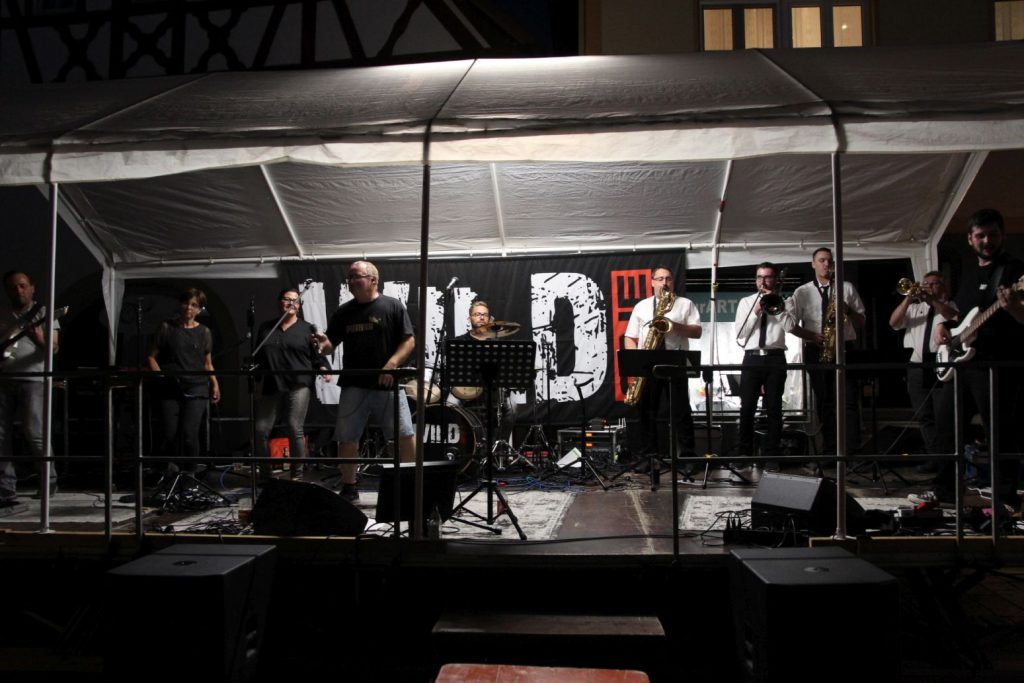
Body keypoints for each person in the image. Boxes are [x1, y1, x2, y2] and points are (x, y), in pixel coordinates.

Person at [926, 209, 1024, 505]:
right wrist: (943, 326)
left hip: (996, 365)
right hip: (964, 363)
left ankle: (1005, 496)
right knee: (946, 427)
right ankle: (944, 490)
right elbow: (961, 315)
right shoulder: (970, 273)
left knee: (999, 431)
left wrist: (1013, 307)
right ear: (970, 239)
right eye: (980, 236)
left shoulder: (1014, 272)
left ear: (1002, 236)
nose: (987, 241)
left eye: (992, 235)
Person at [316, 261, 415, 502]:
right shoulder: (344, 311)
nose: (350, 281)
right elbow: (330, 346)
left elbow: (409, 340)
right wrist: (323, 344)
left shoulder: (392, 306)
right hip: (353, 383)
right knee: (347, 437)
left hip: (387, 383)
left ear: (373, 280)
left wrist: (391, 365)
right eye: (348, 277)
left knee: (403, 434)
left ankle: (410, 485)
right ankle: (349, 487)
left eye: (355, 276)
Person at [787, 247, 866, 460]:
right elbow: (790, 325)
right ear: (813, 264)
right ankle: (830, 450)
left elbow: (861, 322)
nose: (826, 264)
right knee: (825, 402)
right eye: (822, 260)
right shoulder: (802, 292)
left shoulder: (846, 288)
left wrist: (848, 310)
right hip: (816, 348)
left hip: (844, 348)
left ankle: (852, 451)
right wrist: (812, 336)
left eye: (830, 261)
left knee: (849, 401)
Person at [623, 265, 702, 470]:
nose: (664, 283)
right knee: (647, 411)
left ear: (673, 282)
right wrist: (636, 361)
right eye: (659, 279)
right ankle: (649, 457)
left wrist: (673, 325)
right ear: (652, 282)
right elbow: (629, 337)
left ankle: (687, 457)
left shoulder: (685, 304)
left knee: (681, 411)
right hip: (647, 362)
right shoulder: (641, 306)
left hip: (675, 361)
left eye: (668, 278)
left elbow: (697, 331)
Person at [253, 288, 329, 480]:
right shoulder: (266, 328)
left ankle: (297, 476)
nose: (291, 303)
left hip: (298, 383)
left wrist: (323, 368)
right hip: (272, 384)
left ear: (300, 306)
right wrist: (256, 380)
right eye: (287, 299)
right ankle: (266, 476)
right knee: (260, 430)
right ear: (279, 302)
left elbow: (317, 355)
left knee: (294, 427)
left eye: (295, 300)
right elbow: (258, 357)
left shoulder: (307, 329)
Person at [0, 271, 60, 506]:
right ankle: (5, 487)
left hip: (34, 378)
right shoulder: (3, 314)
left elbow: (54, 348)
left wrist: (38, 338)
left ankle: (48, 480)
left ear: (32, 288)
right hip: (4, 377)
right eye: (13, 287)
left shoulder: (44, 312)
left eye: (23, 286)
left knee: (35, 431)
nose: (19, 291)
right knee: (1, 434)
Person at [888, 271, 957, 471]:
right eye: (926, 283)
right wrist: (909, 298)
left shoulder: (950, 305)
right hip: (917, 365)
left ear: (943, 286)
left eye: (934, 283)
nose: (929, 287)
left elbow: (954, 317)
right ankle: (934, 458)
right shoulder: (915, 308)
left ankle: (947, 460)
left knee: (942, 415)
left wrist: (932, 300)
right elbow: (893, 323)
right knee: (923, 415)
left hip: (940, 364)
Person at [146, 288, 220, 473]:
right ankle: (167, 472)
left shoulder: (204, 332)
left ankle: (190, 475)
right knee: (169, 432)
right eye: (186, 303)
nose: (189, 307)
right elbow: (151, 357)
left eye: (194, 305)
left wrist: (215, 384)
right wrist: (160, 377)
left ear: (200, 309)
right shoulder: (167, 327)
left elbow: (207, 363)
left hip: (196, 386)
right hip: (170, 386)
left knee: (189, 434)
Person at [733, 262, 795, 471]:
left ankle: (772, 455)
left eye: (768, 277)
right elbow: (740, 333)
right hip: (752, 358)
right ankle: (744, 453)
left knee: (774, 407)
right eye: (759, 277)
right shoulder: (746, 302)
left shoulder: (786, 301)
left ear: (774, 280)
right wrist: (756, 311)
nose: (763, 281)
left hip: (775, 358)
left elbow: (790, 327)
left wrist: (778, 308)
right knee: (747, 407)